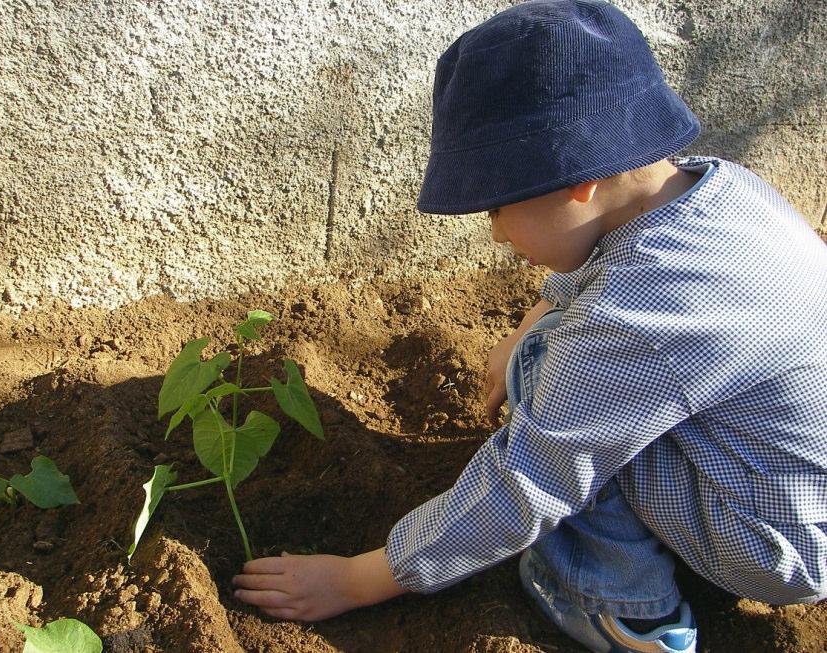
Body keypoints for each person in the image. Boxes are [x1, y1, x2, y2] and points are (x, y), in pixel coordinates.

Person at [232, 2, 827, 651]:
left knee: (552, 378)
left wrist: (358, 578)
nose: (493, 232)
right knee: (549, 339)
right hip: (799, 493)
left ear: (577, 184)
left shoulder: (633, 319)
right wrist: (535, 314)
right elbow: (626, 290)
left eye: (494, 207)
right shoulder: (721, 189)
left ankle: (619, 602)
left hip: (778, 548)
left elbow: (529, 482)